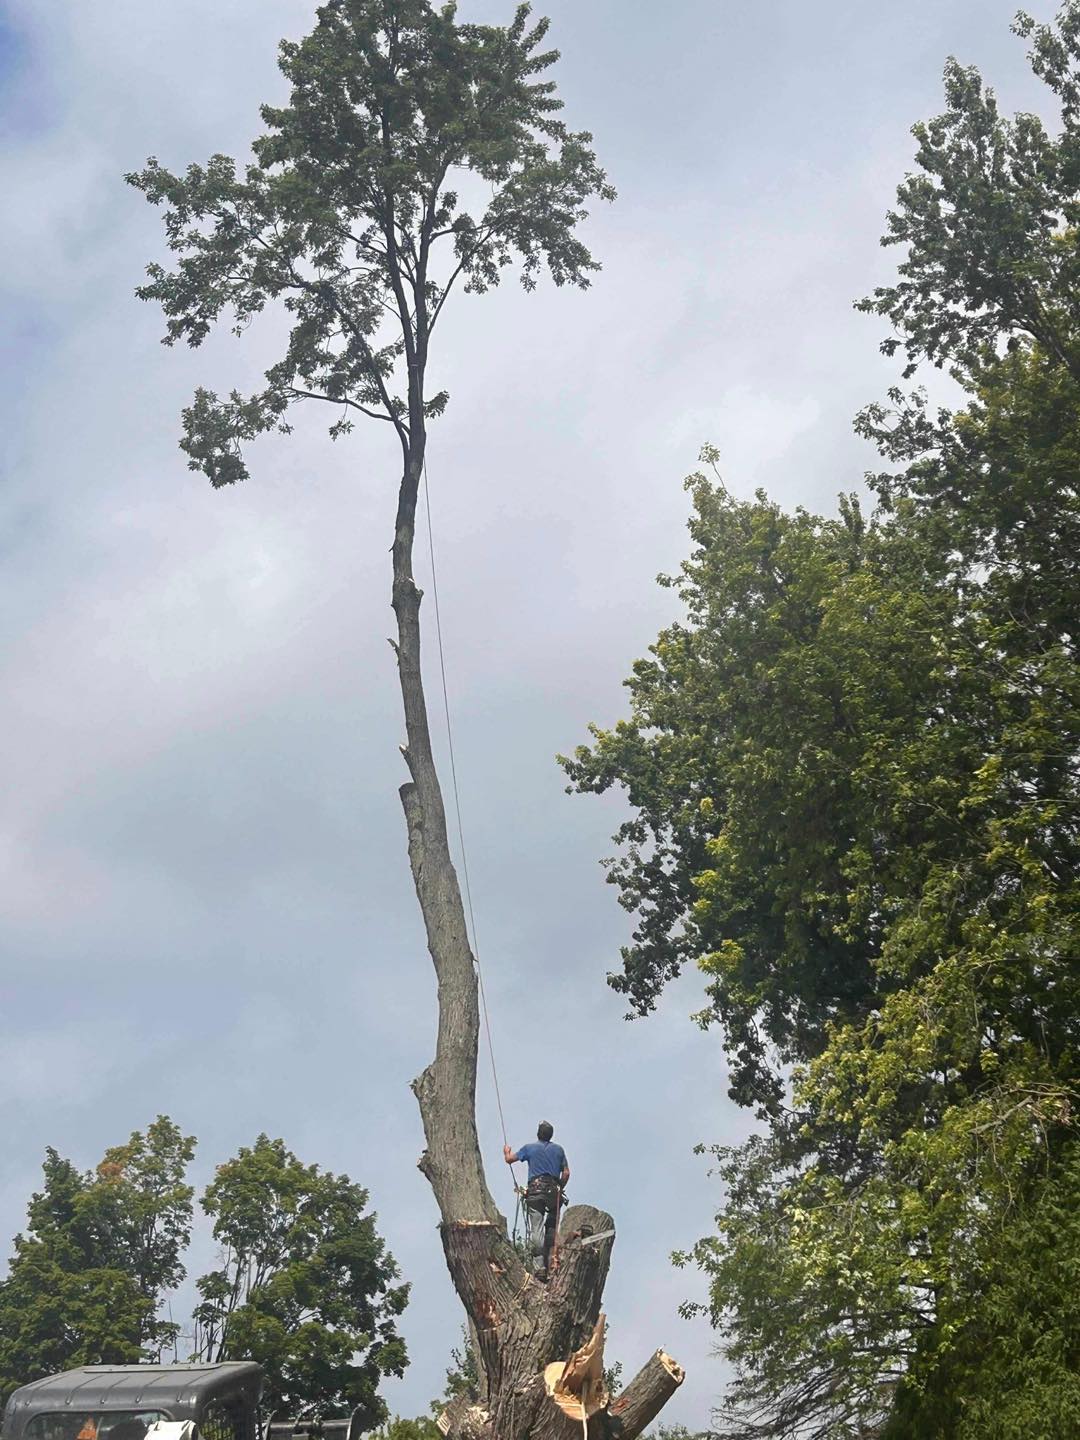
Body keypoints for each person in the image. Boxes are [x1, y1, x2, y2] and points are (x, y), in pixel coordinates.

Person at [504, 1121, 569, 1278]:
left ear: (538, 1134)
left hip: (535, 1192)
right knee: (551, 1226)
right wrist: (560, 1186)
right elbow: (566, 1173)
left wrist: (507, 1151)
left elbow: (509, 1159)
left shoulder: (529, 1148)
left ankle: (539, 1267)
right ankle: (552, 1261)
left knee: (536, 1228)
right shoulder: (559, 1150)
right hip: (553, 1192)